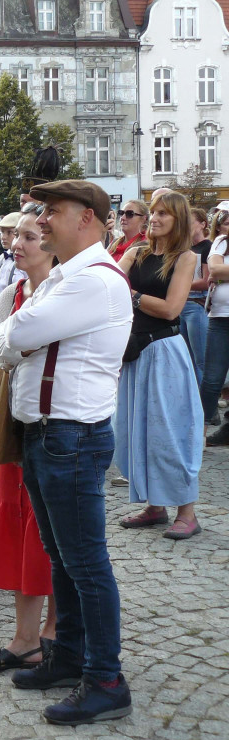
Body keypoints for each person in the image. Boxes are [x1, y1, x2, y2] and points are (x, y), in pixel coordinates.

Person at [0, 179, 132, 725]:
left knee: (85, 563)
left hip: (69, 435)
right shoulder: (64, 278)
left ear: (90, 219)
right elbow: (9, 337)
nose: (43, 220)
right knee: (64, 558)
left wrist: (15, 334)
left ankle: (105, 679)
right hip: (49, 434)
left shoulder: (92, 282)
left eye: (54, 211)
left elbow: (13, 334)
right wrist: (15, 334)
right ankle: (70, 656)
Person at [0, 207, 56, 671]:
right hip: (15, 421)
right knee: (21, 524)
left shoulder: (64, 289)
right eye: (16, 236)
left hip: (50, 422)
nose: (16, 244)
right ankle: (25, 636)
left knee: (50, 532)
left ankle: (54, 632)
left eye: (28, 236)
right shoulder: (10, 292)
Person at [114, 192, 203, 540]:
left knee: (171, 432)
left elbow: (171, 309)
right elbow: (109, 282)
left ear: (178, 220)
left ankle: (187, 512)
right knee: (136, 430)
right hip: (134, 352)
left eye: (164, 214)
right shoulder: (135, 252)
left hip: (165, 352)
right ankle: (154, 505)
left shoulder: (185, 258)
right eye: (153, 213)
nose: (155, 219)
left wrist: (134, 296)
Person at [202, 209, 229, 446]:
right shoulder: (221, 242)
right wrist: (219, 273)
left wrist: (223, 273)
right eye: (226, 223)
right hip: (220, 318)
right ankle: (198, 433)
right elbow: (215, 270)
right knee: (212, 379)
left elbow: (221, 271)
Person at [180, 208, 211, 388]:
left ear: (202, 224)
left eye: (190, 222)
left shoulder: (208, 246)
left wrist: (181, 284)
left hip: (196, 305)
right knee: (188, 359)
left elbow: (206, 281)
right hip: (183, 304)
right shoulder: (187, 247)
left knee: (201, 359)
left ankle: (208, 406)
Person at [0, 212, 26, 294]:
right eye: (2, 232)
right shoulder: (2, 258)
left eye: (9, 232)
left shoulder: (27, 258)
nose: (3, 237)